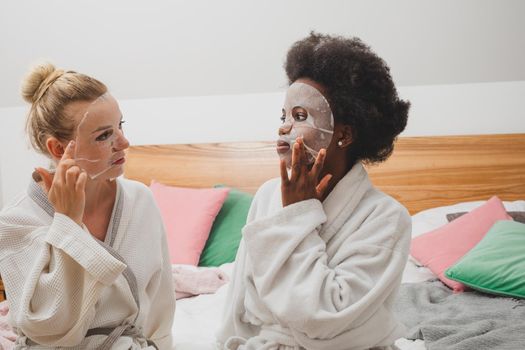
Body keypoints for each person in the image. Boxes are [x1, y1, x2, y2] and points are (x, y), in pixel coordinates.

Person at [217, 32, 411, 350]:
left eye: (300, 116)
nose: (283, 127)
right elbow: (238, 304)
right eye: (283, 116)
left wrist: (297, 215)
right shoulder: (268, 194)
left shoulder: (387, 218)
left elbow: (325, 316)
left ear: (344, 134)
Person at [0, 63, 175, 349]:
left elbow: (161, 306)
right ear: (58, 149)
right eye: (104, 136)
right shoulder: (16, 221)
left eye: (121, 126)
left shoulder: (140, 200)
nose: (124, 142)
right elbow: (52, 328)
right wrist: (67, 224)